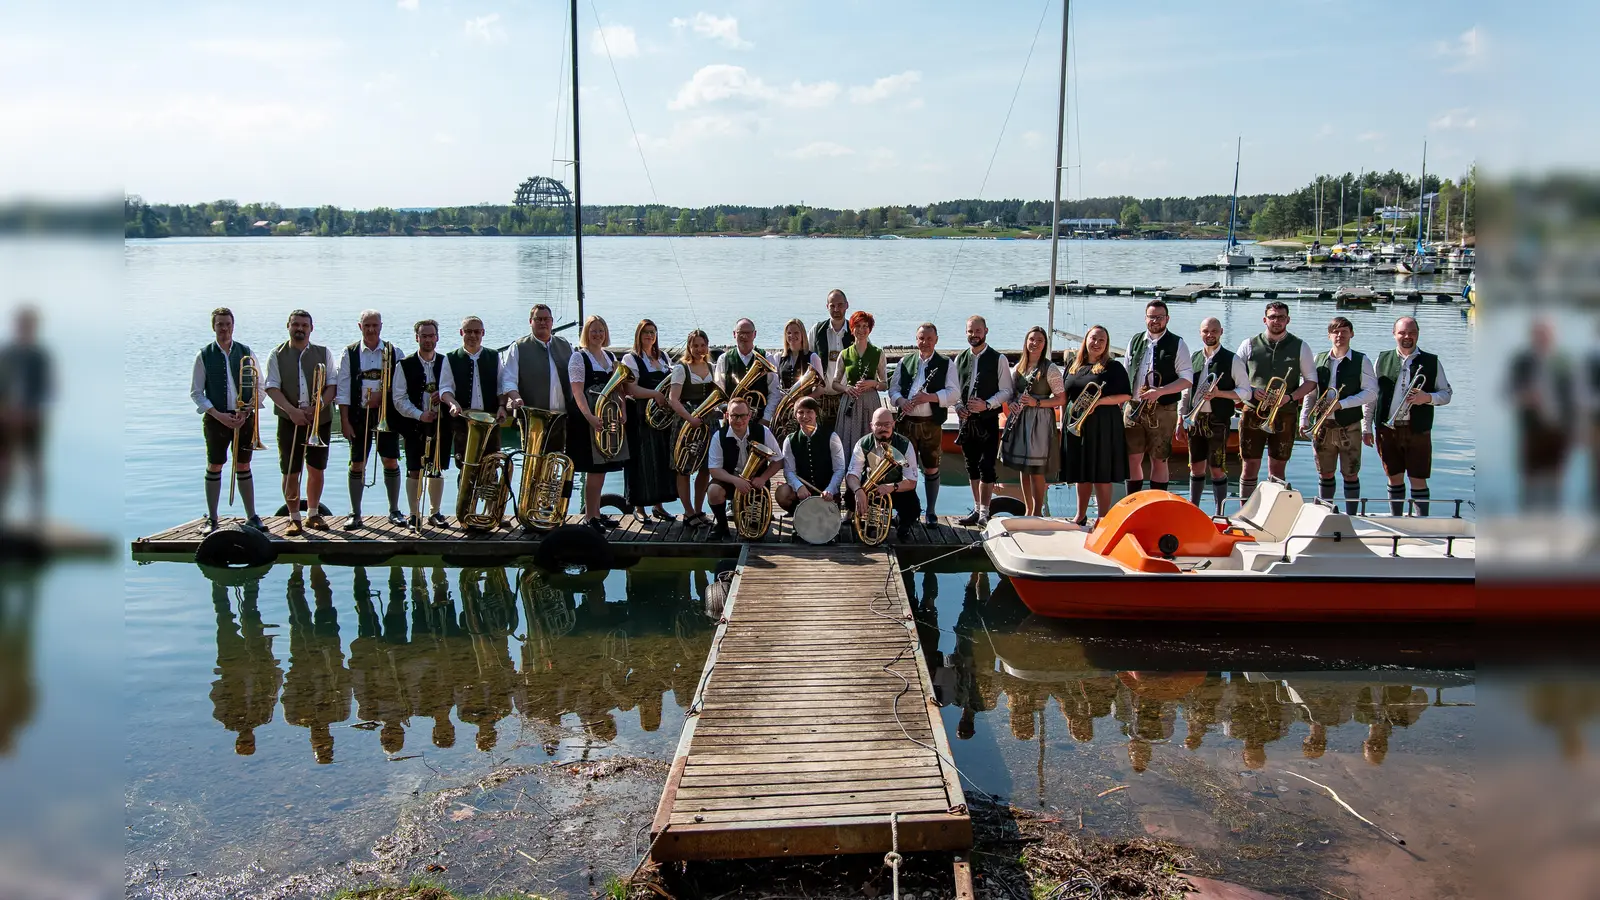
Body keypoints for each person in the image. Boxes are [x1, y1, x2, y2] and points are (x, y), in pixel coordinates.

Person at [1236, 301, 1319, 503]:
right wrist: (1252, 391)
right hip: (1253, 412)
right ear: (1265, 320)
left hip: (1285, 414)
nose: (1276, 321)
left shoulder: (1301, 346)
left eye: (1281, 317)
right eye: (1272, 317)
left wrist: (1290, 397)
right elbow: (1235, 377)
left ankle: (1273, 512)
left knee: (1278, 467)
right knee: (1249, 465)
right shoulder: (1248, 344)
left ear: (1288, 320)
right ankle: (1243, 510)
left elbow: (1311, 382)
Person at [189, 307, 263, 532]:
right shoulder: (204, 355)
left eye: (227, 324)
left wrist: (248, 411)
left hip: (244, 417)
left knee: (243, 464)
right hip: (216, 418)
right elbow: (196, 392)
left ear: (233, 326)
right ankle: (212, 518)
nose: (224, 328)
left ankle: (252, 516)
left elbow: (261, 386)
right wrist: (217, 414)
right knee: (215, 464)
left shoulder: (246, 352)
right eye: (220, 324)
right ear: (214, 326)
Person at [263, 309, 337, 534]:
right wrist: (291, 410)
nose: (300, 329)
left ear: (311, 329)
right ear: (288, 326)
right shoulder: (276, 354)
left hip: (319, 420)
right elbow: (272, 387)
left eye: (305, 325)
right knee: (290, 470)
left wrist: (318, 407)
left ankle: (313, 514)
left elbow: (332, 385)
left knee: (316, 469)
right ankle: (293, 517)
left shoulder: (324, 353)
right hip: (289, 419)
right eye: (296, 325)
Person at [1373, 316, 1452, 516]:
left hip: (1418, 428)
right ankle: (1397, 519)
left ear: (1417, 334)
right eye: (1402, 333)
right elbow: (1372, 397)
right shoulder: (1382, 359)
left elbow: (1446, 394)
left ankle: (1421, 521)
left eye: (1412, 333)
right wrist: (1366, 426)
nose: (1407, 337)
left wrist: (1426, 398)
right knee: (1394, 476)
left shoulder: (1432, 361)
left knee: (1418, 477)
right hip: (1387, 428)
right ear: (1394, 334)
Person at [335, 309, 406, 529]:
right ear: (360, 327)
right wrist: (344, 421)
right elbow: (343, 390)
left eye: (375, 325)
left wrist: (381, 397)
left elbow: (401, 387)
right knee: (357, 463)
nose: (371, 330)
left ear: (381, 326)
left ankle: (394, 510)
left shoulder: (395, 352)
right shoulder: (349, 353)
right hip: (358, 414)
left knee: (390, 460)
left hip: (387, 414)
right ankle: (355, 513)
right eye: (367, 326)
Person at [1301, 316, 1377, 514]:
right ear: (1329, 335)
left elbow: (1371, 392)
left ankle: (1352, 516)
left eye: (1344, 331)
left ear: (1351, 334)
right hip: (1323, 426)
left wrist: (1341, 405)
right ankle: (1325, 514)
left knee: (1351, 473)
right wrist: (1304, 418)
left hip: (1349, 425)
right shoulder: (1319, 359)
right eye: (1335, 331)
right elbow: (1312, 392)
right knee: (1325, 472)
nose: (1339, 335)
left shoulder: (1362, 360)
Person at [1059, 325, 1132, 525]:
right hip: (1076, 423)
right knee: (1081, 472)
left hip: (1103, 425)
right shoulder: (1073, 365)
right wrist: (1062, 422)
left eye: (1101, 340)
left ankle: (1103, 518)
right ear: (1086, 340)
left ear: (1106, 344)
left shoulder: (1113, 366)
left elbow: (1126, 394)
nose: (1097, 343)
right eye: (1093, 339)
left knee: (1101, 472)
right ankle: (1080, 515)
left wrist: (1098, 402)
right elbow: (1064, 397)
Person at [1178, 316, 1249, 515]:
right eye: (1206, 331)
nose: (1210, 335)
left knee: (1217, 468)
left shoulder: (1232, 359)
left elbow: (1245, 392)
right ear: (1200, 333)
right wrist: (1180, 419)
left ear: (1221, 332)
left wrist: (1220, 394)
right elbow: (1186, 392)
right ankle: (1193, 510)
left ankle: (1219, 512)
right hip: (1195, 420)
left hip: (1218, 420)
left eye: (1214, 331)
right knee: (1196, 467)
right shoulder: (1193, 358)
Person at [889, 322, 958, 523]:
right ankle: (905, 511)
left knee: (931, 467)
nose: (925, 342)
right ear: (916, 339)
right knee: (903, 467)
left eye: (929, 339)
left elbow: (954, 394)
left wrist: (930, 397)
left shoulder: (946, 363)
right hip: (906, 422)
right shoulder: (905, 361)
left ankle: (931, 511)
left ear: (936, 340)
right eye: (921, 338)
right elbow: (894, 389)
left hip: (931, 423)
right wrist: (901, 401)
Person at [1124, 300, 1193, 496]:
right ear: (1145, 318)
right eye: (1151, 317)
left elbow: (1187, 379)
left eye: (1159, 317)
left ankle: (1156, 503)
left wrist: (1160, 391)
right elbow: (1127, 372)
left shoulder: (1177, 343)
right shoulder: (1135, 340)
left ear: (1167, 319)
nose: (1155, 321)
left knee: (1159, 458)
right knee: (1132, 457)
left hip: (1163, 408)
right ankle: (1133, 502)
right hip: (1134, 406)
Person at [567, 315, 629, 531]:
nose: (597, 334)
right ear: (586, 333)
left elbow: (619, 388)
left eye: (601, 330)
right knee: (593, 469)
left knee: (602, 469)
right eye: (593, 330)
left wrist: (622, 408)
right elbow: (577, 392)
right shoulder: (578, 358)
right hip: (589, 417)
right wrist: (590, 418)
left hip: (608, 414)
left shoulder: (610, 356)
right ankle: (590, 516)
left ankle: (597, 513)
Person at [393, 319, 455, 529]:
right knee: (414, 469)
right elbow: (399, 398)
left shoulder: (446, 361)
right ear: (417, 337)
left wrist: (444, 394)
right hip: (415, 425)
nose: (428, 340)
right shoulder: (404, 364)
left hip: (440, 424)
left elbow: (453, 389)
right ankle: (413, 514)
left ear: (437, 337)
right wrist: (420, 415)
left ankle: (434, 512)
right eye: (424, 336)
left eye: (431, 336)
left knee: (436, 467)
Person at [954, 315, 1014, 526]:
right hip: (966, 422)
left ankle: (985, 512)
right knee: (971, 466)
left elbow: (1007, 390)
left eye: (978, 331)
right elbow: (955, 391)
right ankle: (977, 509)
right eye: (970, 331)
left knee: (986, 466)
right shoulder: (960, 358)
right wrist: (958, 407)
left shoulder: (999, 359)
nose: (974, 335)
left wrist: (987, 404)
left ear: (986, 331)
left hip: (987, 419)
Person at [1000, 326, 1064, 517]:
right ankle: (1028, 509)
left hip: (1040, 421)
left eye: (1039, 340)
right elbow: (1010, 393)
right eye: (1031, 340)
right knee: (1024, 467)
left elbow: (1061, 399)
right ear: (1026, 342)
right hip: (1020, 419)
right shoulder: (1019, 367)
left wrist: (1037, 402)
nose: (1034, 344)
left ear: (1044, 345)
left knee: (1037, 469)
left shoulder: (1050, 368)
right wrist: (1011, 403)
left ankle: (1037, 511)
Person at [620, 318, 678, 521]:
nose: (650, 335)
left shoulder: (662, 357)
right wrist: (655, 394)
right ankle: (639, 508)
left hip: (661, 416)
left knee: (660, 459)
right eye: (646, 332)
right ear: (639, 334)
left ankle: (658, 506)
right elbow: (630, 389)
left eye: (653, 332)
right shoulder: (631, 359)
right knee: (641, 460)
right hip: (640, 415)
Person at [0, 306, 51, 527]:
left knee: (34, 464)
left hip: (32, 416)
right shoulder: (7, 354)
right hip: (5, 415)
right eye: (22, 324)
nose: (25, 329)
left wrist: (29, 411)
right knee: (5, 464)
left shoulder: (40, 356)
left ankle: (36, 513)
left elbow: (44, 388)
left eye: (29, 325)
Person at [706, 397, 782, 540]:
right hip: (730, 481)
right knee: (713, 491)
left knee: (755, 532)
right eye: (734, 416)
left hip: (756, 483)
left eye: (743, 416)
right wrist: (736, 481)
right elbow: (714, 470)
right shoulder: (719, 436)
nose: (739, 420)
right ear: (727, 416)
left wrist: (763, 478)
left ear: (750, 415)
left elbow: (778, 461)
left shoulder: (763, 431)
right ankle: (722, 525)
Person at [667, 329, 719, 528]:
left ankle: (698, 509)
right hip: (687, 423)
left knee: (706, 468)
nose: (699, 349)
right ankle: (688, 512)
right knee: (684, 468)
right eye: (695, 345)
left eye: (702, 345)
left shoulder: (712, 367)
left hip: (709, 422)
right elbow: (673, 399)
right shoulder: (681, 368)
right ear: (689, 346)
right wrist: (690, 419)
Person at [846, 407, 922, 543]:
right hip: (870, 489)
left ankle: (902, 524)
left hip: (895, 488)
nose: (883, 428)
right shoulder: (863, 444)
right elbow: (852, 474)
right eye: (878, 424)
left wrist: (892, 487)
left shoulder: (905, 445)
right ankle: (866, 521)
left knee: (913, 508)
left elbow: (911, 481)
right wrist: (858, 491)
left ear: (893, 424)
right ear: (871, 426)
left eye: (887, 424)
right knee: (849, 497)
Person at [439, 315, 505, 469]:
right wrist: (452, 403)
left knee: (491, 469)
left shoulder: (494, 356)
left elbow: (502, 386)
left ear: (483, 333)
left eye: (477, 332)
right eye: (468, 331)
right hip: (463, 423)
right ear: (461, 333)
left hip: (490, 422)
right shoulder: (451, 358)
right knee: (465, 469)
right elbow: (445, 388)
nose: (473, 336)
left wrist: (502, 406)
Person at [830, 310, 888, 455]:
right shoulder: (845, 354)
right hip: (851, 401)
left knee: (871, 441)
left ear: (870, 329)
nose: (861, 330)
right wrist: (846, 389)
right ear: (852, 328)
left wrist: (873, 384)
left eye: (865, 326)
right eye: (858, 326)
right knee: (849, 440)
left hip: (870, 402)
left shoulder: (878, 353)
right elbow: (835, 383)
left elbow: (885, 384)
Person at [775, 396, 845, 514]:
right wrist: (799, 487)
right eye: (800, 412)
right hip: (803, 494)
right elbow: (789, 471)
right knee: (782, 493)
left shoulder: (832, 437)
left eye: (809, 412)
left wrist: (830, 490)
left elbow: (839, 469)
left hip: (827, 493)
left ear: (816, 414)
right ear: (795, 415)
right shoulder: (790, 440)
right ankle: (800, 515)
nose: (805, 416)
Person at [770, 317, 825, 440]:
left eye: (796, 333)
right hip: (785, 412)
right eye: (789, 333)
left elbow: (821, 390)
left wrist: (802, 401)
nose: (792, 336)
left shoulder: (812, 357)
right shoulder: (779, 357)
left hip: (806, 410)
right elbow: (775, 386)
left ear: (802, 335)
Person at [714, 318, 777, 424]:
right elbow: (718, 393)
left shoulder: (767, 357)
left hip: (760, 420)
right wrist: (727, 410)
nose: (744, 336)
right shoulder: (724, 359)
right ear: (734, 334)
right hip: (733, 421)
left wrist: (766, 418)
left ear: (755, 334)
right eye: (740, 333)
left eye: (748, 333)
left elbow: (774, 392)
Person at [811, 289, 852, 436]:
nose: (836, 309)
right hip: (821, 397)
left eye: (840, 305)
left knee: (845, 439)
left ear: (847, 305)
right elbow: (807, 359)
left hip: (846, 397)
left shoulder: (855, 331)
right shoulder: (816, 330)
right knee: (820, 439)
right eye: (832, 305)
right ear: (827, 306)